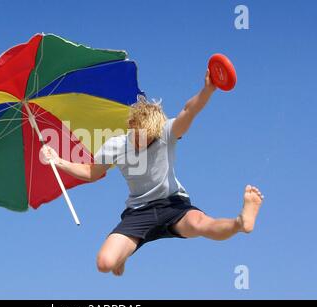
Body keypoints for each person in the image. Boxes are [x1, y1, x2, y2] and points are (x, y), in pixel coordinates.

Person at [40, 69, 264, 276]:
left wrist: (208, 89)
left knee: (201, 224)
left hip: (173, 205)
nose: (140, 143)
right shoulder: (116, 145)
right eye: (137, 137)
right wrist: (57, 160)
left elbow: (189, 110)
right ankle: (122, 257)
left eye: (147, 140)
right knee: (104, 264)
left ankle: (240, 222)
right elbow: (91, 172)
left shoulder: (166, 134)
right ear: (131, 126)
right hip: (139, 212)